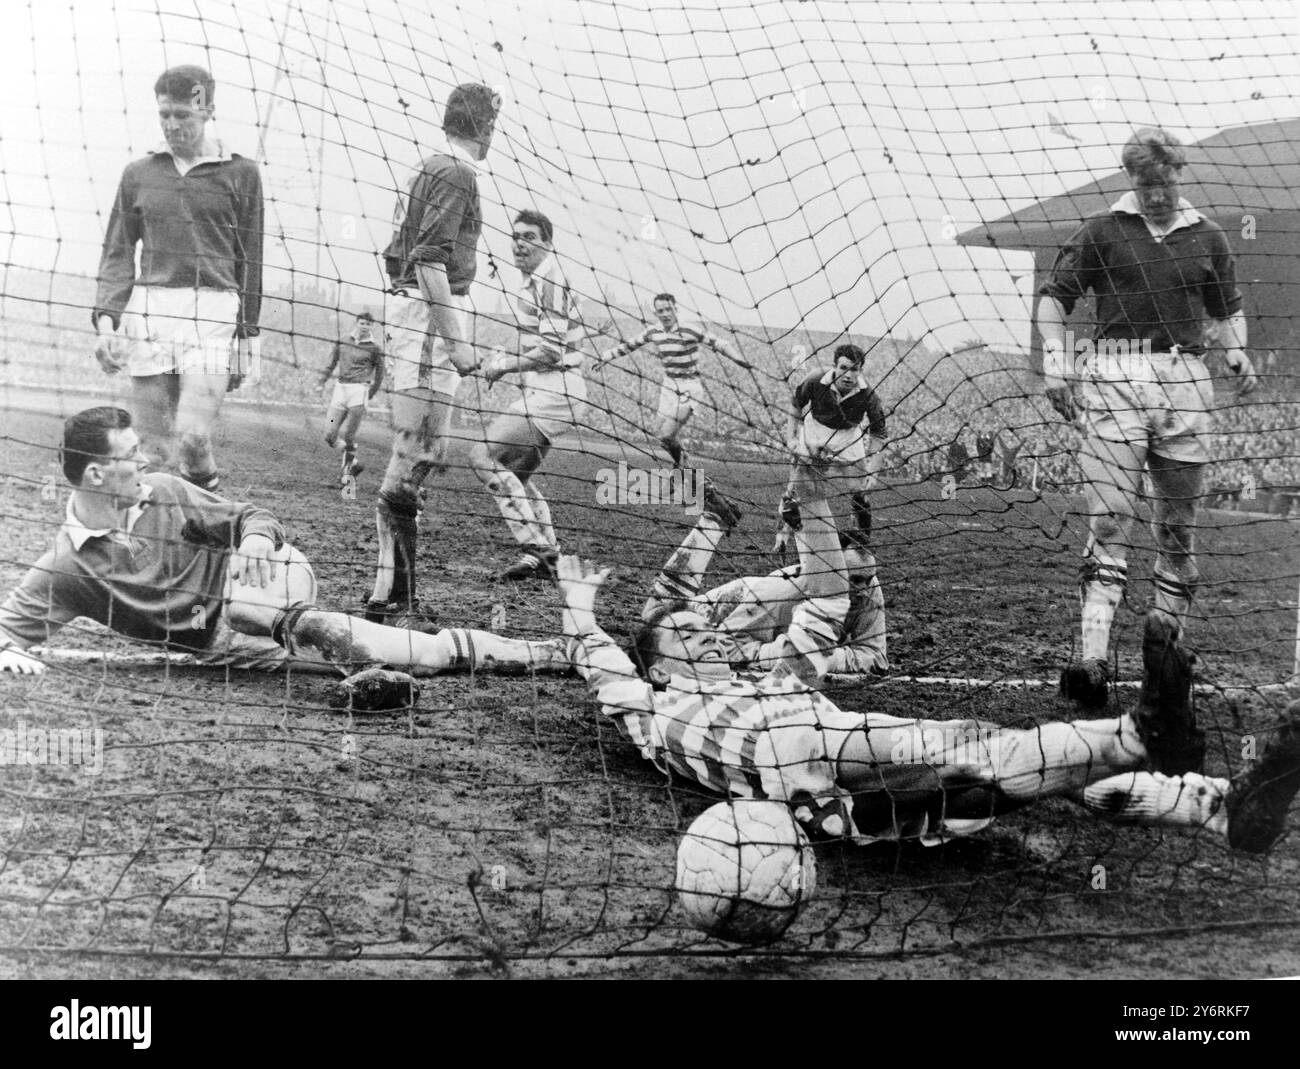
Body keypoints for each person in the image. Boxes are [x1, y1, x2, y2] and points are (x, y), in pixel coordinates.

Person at [555, 497, 1300, 855]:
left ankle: (1200, 790)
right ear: (661, 660)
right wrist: (580, 609)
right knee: (973, 757)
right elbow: (599, 662)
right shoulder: (654, 703)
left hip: (821, 737)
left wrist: (820, 522)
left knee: (981, 747)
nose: (707, 633)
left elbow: (823, 599)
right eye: (689, 632)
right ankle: (891, 814)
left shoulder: (767, 672)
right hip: (780, 761)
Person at [0, 408, 568, 687]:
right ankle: (382, 672)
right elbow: (8, 632)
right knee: (400, 658)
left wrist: (251, 540)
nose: (143, 461)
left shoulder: (166, 493)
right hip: (234, 647)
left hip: (270, 582)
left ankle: (543, 652)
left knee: (252, 608)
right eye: (128, 455)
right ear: (96, 475)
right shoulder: (65, 568)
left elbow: (256, 516)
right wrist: (12, 649)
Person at [1037, 126, 1257, 709]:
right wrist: (1058, 364)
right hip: (1115, 373)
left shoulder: (1209, 236)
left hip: (1186, 382)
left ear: (1178, 176)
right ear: (1131, 179)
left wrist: (1236, 349)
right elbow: (1053, 299)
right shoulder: (1103, 229)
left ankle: (1165, 655)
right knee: (1110, 519)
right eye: (1145, 183)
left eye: (1165, 182)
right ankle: (1091, 661)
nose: (1156, 194)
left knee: (1178, 529)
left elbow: (1228, 311)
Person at [92, 64, 263, 493]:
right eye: (165, 114)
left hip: (214, 310)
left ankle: (206, 535)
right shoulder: (139, 173)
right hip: (152, 311)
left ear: (207, 110)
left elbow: (251, 259)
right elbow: (117, 252)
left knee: (193, 438)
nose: (172, 125)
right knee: (150, 450)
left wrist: (248, 337)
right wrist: (107, 323)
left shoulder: (241, 173)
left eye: (182, 115)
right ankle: (154, 549)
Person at [367, 83, 500, 628]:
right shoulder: (456, 171)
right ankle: (390, 600)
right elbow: (427, 262)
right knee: (416, 451)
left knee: (424, 451)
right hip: (427, 318)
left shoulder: (433, 166)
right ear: (486, 127)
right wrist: (457, 344)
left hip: (421, 315)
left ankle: (391, 595)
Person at [644, 484, 888, 676]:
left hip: (781, 595)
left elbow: (876, 657)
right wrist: (774, 654)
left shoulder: (869, 587)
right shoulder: (781, 594)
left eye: (868, 578)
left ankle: (800, 526)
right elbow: (726, 643)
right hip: (736, 602)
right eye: (854, 579)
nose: (863, 589)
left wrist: (822, 656)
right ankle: (713, 521)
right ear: (835, 571)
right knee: (655, 614)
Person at [473, 210, 589, 582]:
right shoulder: (534, 282)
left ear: (547, 243)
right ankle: (545, 554)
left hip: (558, 389)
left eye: (529, 237)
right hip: (549, 389)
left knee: (483, 456)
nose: (519, 243)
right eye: (515, 236)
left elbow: (551, 352)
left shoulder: (550, 278)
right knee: (516, 477)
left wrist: (504, 365)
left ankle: (539, 549)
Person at [599, 293, 752, 470]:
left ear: (675, 309)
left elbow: (720, 343)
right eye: (660, 311)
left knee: (667, 435)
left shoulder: (689, 330)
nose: (665, 314)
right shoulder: (654, 331)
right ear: (655, 314)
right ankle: (686, 466)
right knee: (662, 439)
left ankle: (682, 470)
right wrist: (607, 356)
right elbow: (630, 345)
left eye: (668, 310)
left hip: (689, 387)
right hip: (669, 387)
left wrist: (737, 359)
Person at [775, 343, 887, 556]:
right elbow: (795, 404)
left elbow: (879, 433)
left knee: (860, 491)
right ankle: (782, 535)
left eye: (854, 369)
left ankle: (863, 545)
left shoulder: (868, 395)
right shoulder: (816, 378)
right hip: (816, 429)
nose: (848, 375)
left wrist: (874, 469)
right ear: (834, 366)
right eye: (844, 368)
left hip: (848, 435)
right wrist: (792, 439)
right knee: (798, 486)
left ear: (860, 371)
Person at [320, 311, 385, 486]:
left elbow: (380, 375)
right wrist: (321, 380)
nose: (365, 326)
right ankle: (354, 463)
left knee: (349, 435)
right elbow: (331, 362)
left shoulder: (375, 348)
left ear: (372, 327)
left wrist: (369, 393)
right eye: (362, 323)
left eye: (368, 324)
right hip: (340, 390)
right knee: (329, 434)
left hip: (359, 391)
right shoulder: (343, 340)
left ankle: (346, 478)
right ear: (357, 323)